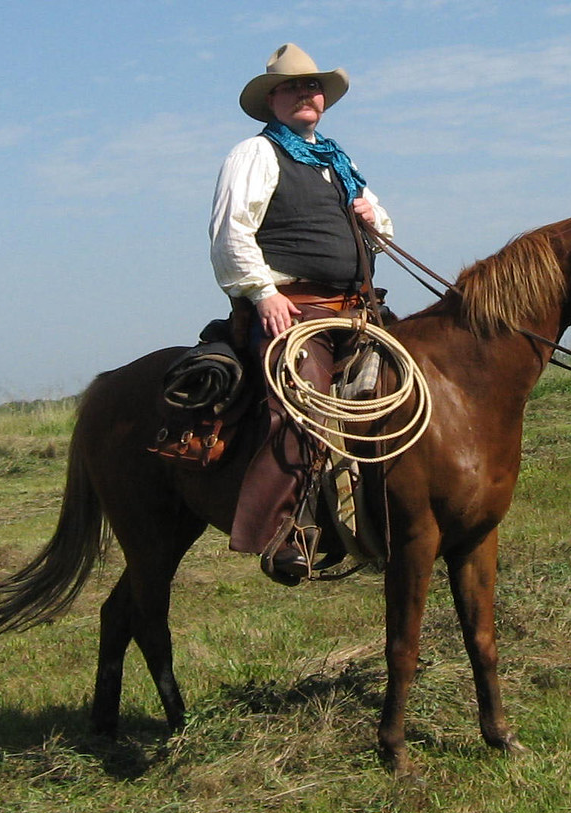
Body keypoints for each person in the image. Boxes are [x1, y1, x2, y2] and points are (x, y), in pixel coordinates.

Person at [209, 43, 394, 583]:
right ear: (273, 100)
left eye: (312, 87)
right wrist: (262, 294)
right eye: (292, 87)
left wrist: (371, 217)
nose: (305, 95)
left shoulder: (339, 161)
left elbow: (383, 234)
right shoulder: (255, 155)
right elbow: (230, 234)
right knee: (301, 406)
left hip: (357, 309)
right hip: (294, 310)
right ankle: (287, 530)